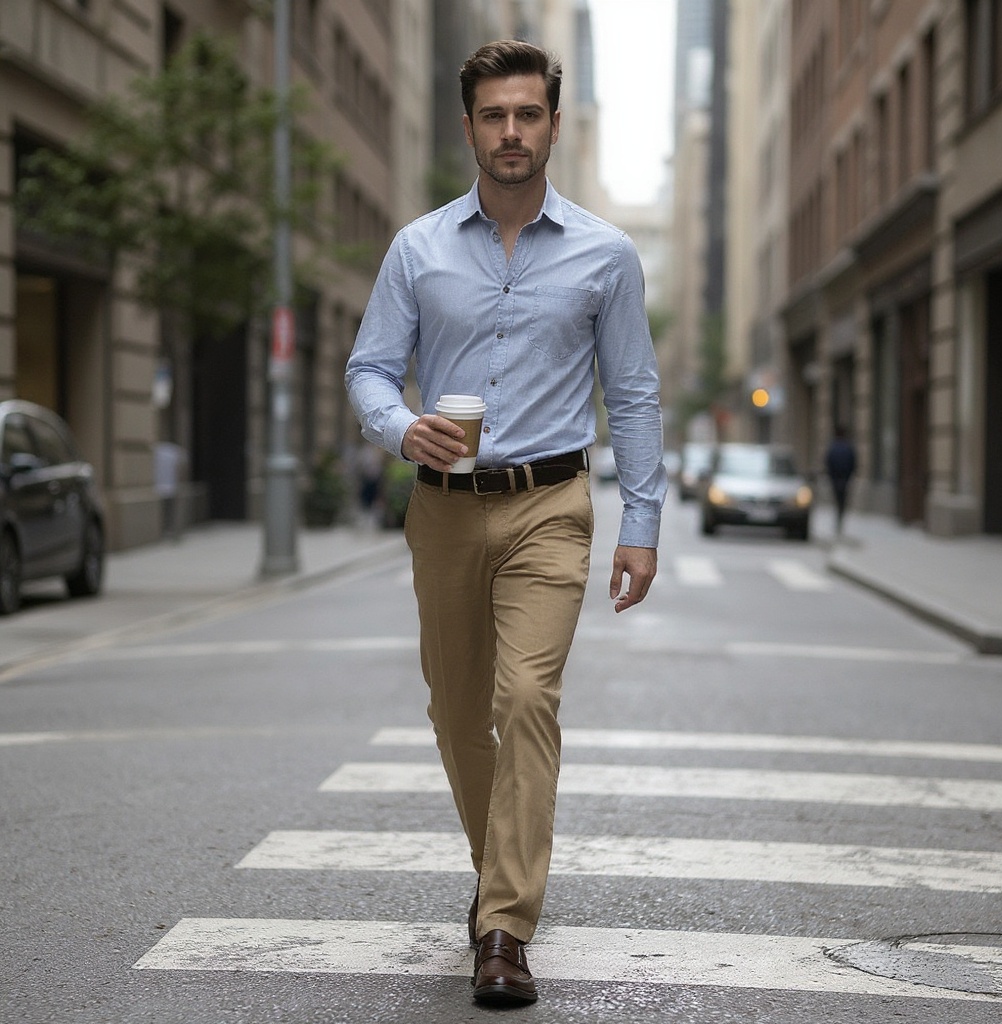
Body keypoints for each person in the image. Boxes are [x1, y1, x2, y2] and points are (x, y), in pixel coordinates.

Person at [345, 39, 666, 1006]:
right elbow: (369, 368)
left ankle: (504, 928)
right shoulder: (418, 248)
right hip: (443, 508)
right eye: (495, 116)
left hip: (550, 506)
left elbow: (634, 393)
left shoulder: (606, 254)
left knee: (525, 698)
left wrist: (641, 521)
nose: (512, 132)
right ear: (471, 129)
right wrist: (403, 429)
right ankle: (500, 873)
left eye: (528, 114)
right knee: (456, 713)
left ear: (554, 126)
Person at [825, 425, 857, 535]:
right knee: (842, 500)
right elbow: (853, 464)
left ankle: (838, 519)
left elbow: (828, 463)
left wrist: (831, 476)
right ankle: (840, 518)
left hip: (835, 479)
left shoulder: (833, 448)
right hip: (845, 479)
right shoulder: (848, 447)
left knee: (838, 499)